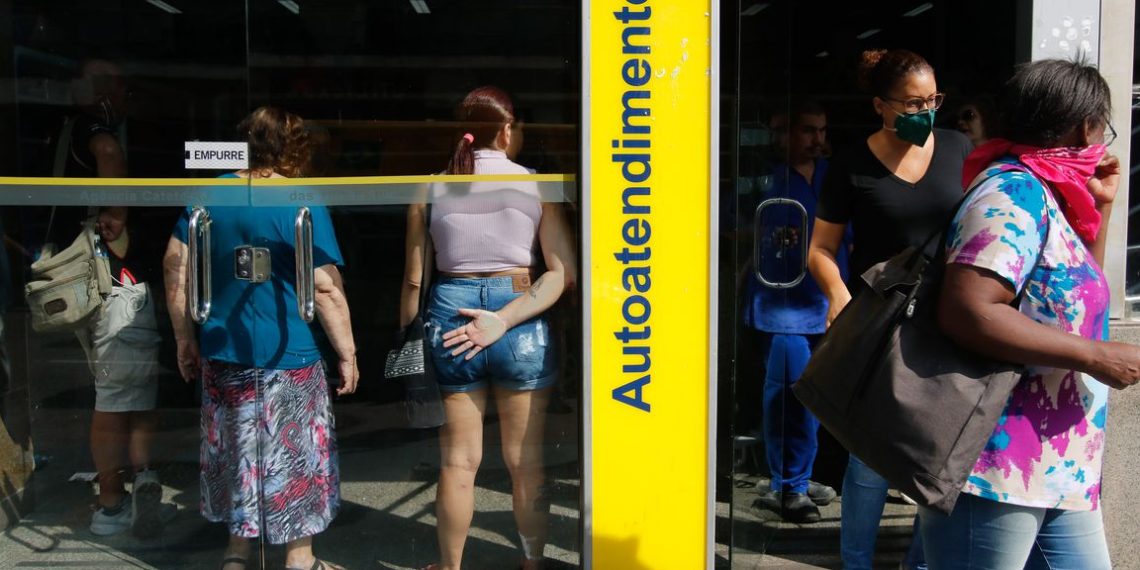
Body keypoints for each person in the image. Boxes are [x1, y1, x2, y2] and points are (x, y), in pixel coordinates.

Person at [923, 58, 1137, 570]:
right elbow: (969, 309)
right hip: (996, 461)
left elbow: (1074, 296)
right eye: (1101, 127)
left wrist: (1099, 206)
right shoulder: (1013, 191)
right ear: (1084, 126)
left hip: (1057, 464)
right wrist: (1097, 356)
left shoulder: (1051, 192)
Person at [163, 107, 358, 570]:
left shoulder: (209, 194)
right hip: (287, 352)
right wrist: (348, 352)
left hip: (222, 349)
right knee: (294, 455)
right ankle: (299, 559)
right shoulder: (298, 198)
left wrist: (183, 336)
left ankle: (236, 553)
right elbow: (326, 287)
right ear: (291, 147)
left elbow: (176, 265)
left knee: (237, 448)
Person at [808, 49, 972, 570]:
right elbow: (819, 250)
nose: (926, 111)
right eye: (912, 103)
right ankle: (856, 563)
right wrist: (838, 293)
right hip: (882, 326)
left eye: (933, 100)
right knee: (870, 459)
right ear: (881, 105)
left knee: (934, 455)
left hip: (948, 323)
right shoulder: (850, 167)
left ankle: (919, 565)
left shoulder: (958, 148)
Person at [402, 86, 575, 570]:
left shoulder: (430, 185)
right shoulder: (538, 183)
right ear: (506, 130)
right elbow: (561, 273)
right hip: (520, 315)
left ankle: (450, 567)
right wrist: (502, 319)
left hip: (450, 317)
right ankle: (532, 563)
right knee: (526, 461)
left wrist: (407, 350)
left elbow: (415, 277)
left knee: (459, 463)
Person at [745, 101, 840, 523]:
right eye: (805, 130)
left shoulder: (828, 177)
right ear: (779, 132)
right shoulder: (759, 181)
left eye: (820, 129)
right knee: (788, 399)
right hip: (780, 307)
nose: (815, 139)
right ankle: (787, 486)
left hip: (825, 304)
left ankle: (798, 476)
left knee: (815, 398)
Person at [83, 206, 166, 538]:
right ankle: (133, 485)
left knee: (114, 398)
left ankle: (113, 501)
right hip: (126, 293)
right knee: (136, 401)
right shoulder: (108, 162)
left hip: (111, 299)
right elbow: (108, 152)